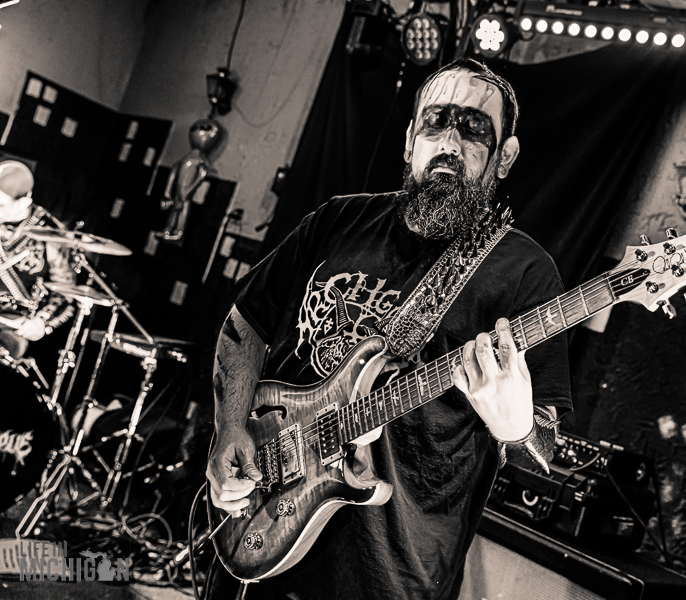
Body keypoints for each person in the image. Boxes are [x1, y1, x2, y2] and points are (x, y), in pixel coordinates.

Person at [205, 58, 572, 600]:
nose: (449, 141)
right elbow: (245, 325)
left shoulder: (525, 273)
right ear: (409, 141)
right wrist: (231, 426)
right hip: (263, 524)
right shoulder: (337, 220)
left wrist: (516, 427)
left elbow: (545, 447)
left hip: (391, 574)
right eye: (435, 122)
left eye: (474, 129)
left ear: (505, 157)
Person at [0, 160, 75, 359]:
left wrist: (41, 321)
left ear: (23, 202)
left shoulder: (50, 233)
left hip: (12, 321)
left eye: (1, 205)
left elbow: (65, 290)